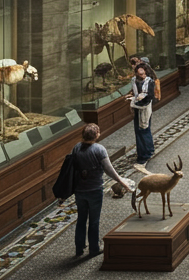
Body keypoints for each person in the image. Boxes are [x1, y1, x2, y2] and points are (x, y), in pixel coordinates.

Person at [60, 123, 132, 258]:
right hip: (94, 190)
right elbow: (109, 169)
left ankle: (79, 248)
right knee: (94, 220)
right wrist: (121, 181)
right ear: (97, 135)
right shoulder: (99, 149)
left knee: (81, 219)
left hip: (80, 191)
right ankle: (94, 248)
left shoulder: (76, 147)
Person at [128, 63, 155, 164]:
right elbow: (135, 92)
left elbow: (149, 97)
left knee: (144, 128)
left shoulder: (149, 82)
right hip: (137, 107)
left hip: (144, 108)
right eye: (139, 74)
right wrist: (133, 98)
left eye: (143, 74)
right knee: (139, 130)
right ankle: (143, 152)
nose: (141, 76)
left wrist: (137, 102)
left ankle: (146, 153)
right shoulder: (134, 81)